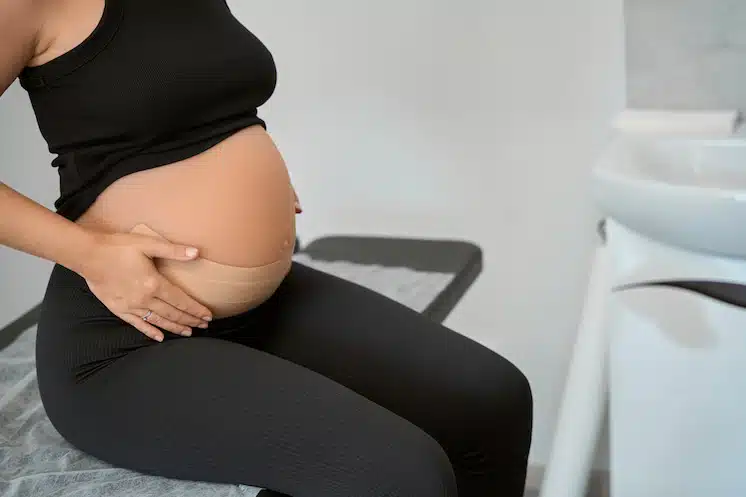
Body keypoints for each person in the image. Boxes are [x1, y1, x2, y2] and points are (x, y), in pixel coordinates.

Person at [0, 0, 533, 496]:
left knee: (493, 398)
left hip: (260, 306)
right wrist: (89, 253)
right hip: (126, 340)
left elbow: (191, 101)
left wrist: (250, 176)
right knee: (405, 473)